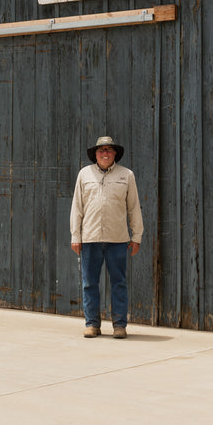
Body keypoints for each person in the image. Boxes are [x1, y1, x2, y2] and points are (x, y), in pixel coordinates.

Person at [70, 135, 143, 339]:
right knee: (89, 282)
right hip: (90, 238)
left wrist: (136, 236)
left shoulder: (126, 175)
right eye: (101, 150)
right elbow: (77, 207)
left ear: (115, 154)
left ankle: (119, 325)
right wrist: (76, 235)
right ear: (95, 154)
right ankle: (92, 324)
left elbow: (134, 207)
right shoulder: (84, 175)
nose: (105, 153)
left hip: (117, 239)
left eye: (109, 150)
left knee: (119, 282)